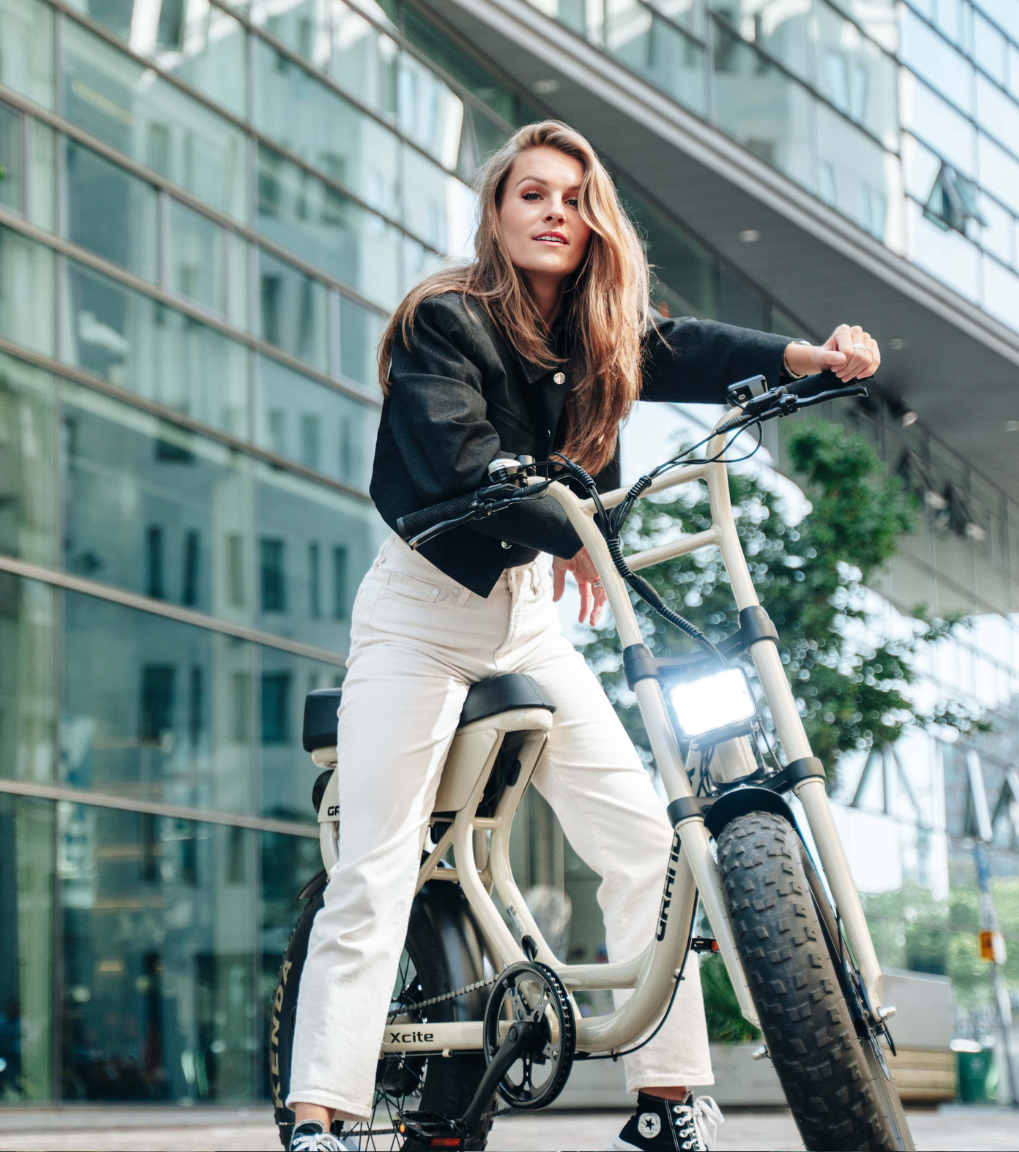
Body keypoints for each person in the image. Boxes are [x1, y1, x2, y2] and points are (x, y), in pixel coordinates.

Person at [282, 121, 880, 1152]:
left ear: (594, 220)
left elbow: (688, 350)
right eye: (532, 194)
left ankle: (667, 1101)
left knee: (648, 842)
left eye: (572, 198)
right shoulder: (444, 320)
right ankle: (319, 1113)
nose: (553, 212)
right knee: (379, 860)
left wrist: (812, 360)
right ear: (496, 210)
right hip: (420, 615)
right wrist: (567, 517)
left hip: (526, 624)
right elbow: (453, 452)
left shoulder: (598, 332)